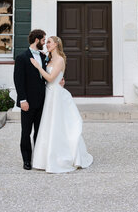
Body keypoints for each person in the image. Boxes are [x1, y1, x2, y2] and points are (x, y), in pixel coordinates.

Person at [30, 35, 93, 173]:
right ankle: (43, 160)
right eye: (46, 42)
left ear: (56, 44)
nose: (47, 44)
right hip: (49, 94)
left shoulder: (59, 60)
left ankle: (60, 158)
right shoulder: (49, 58)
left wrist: (37, 67)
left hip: (56, 95)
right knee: (47, 126)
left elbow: (51, 78)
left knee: (58, 126)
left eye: (49, 42)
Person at [13, 29, 47, 170]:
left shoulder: (43, 56)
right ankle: (26, 160)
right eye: (43, 40)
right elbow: (18, 81)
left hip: (43, 101)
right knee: (26, 132)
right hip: (28, 102)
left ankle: (38, 159)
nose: (44, 43)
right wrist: (22, 100)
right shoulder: (22, 57)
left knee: (40, 131)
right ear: (37, 40)